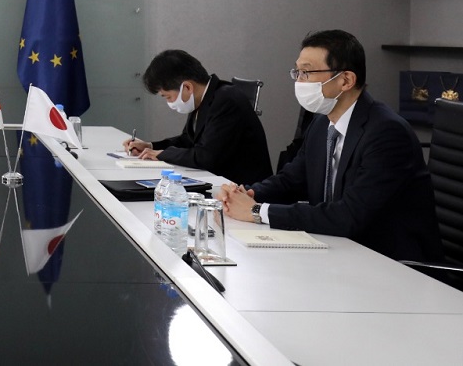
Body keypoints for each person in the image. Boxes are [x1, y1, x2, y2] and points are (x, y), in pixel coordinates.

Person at [217, 29, 443, 262]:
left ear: (346, 80)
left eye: (306, 72)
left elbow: (349, 215)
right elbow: (290, 180)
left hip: (391, 262)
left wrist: (256, 211)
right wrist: (245, 194)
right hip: (339, 250)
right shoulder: (321, 123)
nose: (298, 81)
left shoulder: (387, 133)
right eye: (297, 72)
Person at [122, 49, 272, 186]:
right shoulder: (204, 98)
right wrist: (151, 146)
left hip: (245, 190)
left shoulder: (226, 100)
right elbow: (187, 140)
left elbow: (206, 157)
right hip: (219, 182)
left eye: (168, 97)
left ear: (187, 87)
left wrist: (163, 154)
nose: (169, 102)